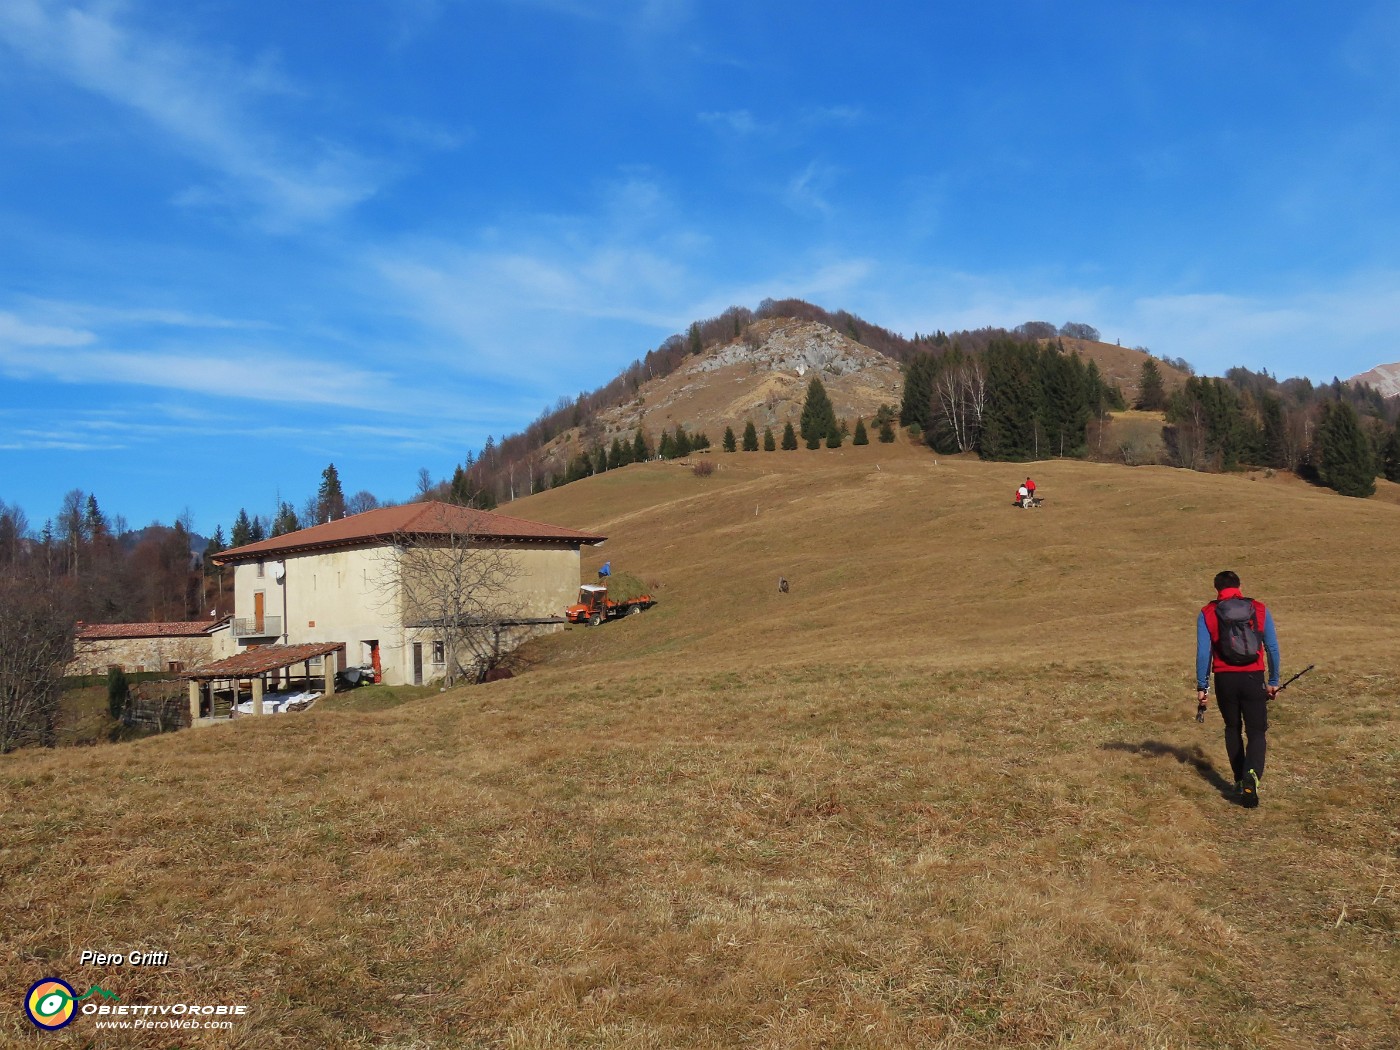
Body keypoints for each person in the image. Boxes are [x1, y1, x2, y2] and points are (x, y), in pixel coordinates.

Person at [1195, 570, 1281, 807]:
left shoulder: (1208, 612)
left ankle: (1238, 779)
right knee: (1256, 732)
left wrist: (1203, 686)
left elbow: (1204, 653)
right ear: (1240, 586)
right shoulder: (1259, 608)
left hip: (1225, 679)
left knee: (1232, 727)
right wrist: (1273, 681)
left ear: (1216, 589)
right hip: (1254, 677)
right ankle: (1251, 777)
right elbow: (1272, 647)